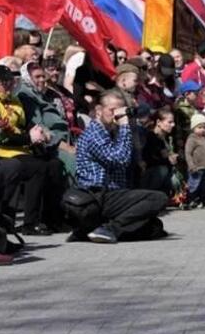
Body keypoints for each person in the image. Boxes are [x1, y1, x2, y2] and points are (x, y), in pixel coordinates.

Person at [0, 65, 64, 234]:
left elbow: (22, 125)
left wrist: (39, 131)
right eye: (7, 83)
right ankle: (29, 223)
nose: (11, 86)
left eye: (12, 82)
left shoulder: (12, 101)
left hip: (18, 148)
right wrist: (28, 139)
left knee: (54, 164)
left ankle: (51, 219)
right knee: (36, 168)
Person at [65, 89, 167, 243]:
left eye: (120, 111)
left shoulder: (113, 132)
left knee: (154, 227)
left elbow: (133, 150)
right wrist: (125, 125)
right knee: (158, 198)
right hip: (97, 195)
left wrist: (129, 123)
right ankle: (109, 229)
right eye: (112, 110)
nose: (116, 115)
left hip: (113, 195)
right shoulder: (94, 133)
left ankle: (88, 231)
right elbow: (120, 159)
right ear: (99, 110)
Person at [141, 106, 178, 196]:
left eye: (173, 122)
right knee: (162, 170)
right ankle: (149, 195)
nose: (173, 125)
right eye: (169, 122)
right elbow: (149, 160)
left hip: (164, 171)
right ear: (158, 122)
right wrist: (168, 160)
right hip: (149, 175)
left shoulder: (168, 138)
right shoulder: (150, 137)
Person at [184, 113, 205, 209]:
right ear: (193, 128)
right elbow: (188, 153)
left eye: (204, 127)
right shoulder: (192, 139)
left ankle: (204, 200)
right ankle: (190, 200)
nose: (202, 129)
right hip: (196, 167)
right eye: (199, 127)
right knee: (194, 185)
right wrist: (191, 165)